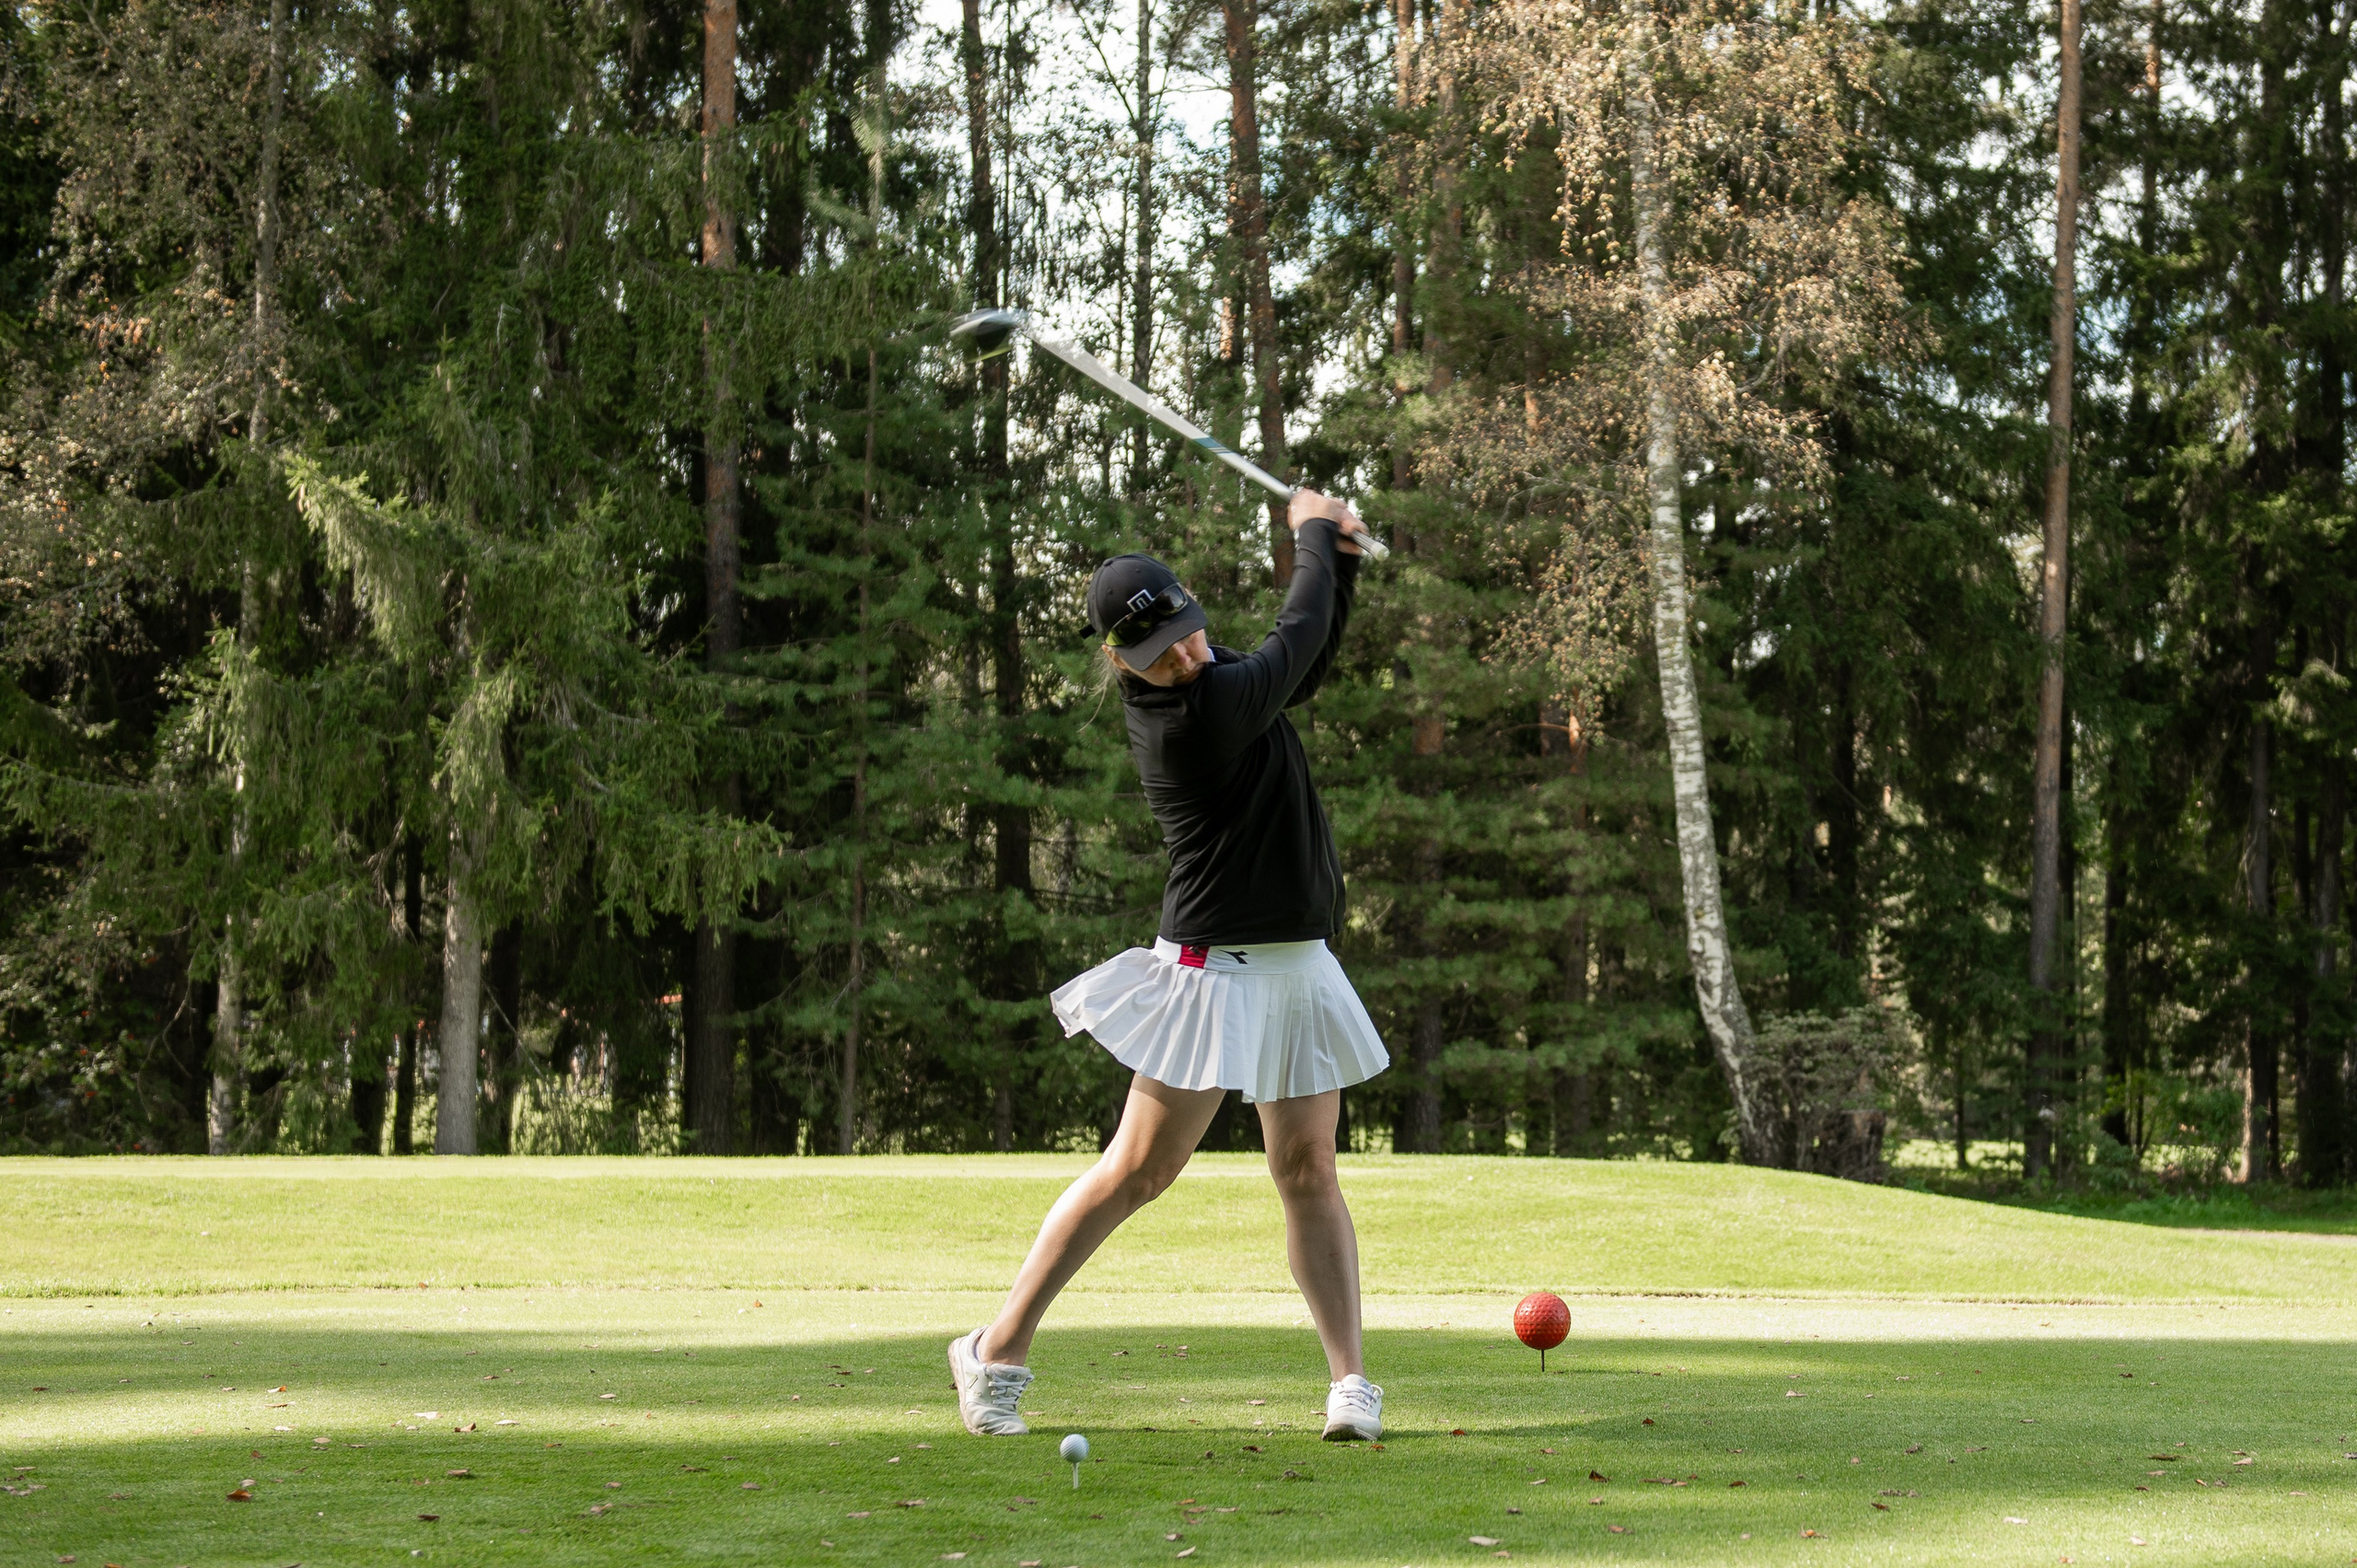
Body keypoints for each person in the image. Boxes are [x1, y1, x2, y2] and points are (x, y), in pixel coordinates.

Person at [947, 490, 1391, 1444]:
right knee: (1140, 1169)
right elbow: (1295, 634)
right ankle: (994, 1350)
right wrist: (1311, 531)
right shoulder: (1192, 718)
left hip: (1295, 965)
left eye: (1188, 637)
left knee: (1308, 1165)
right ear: (1122, 662)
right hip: (1208, 972)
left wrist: (1339, 556)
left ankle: (1350, 1382)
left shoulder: (1219, 676)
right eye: (1157, 655)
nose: (1184, 659)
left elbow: (1301, 661)